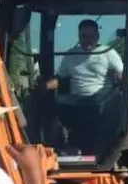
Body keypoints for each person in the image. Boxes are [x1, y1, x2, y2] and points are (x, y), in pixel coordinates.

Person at [46, 18, 123, 152]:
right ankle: (54, 147)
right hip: (76, 100)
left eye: (90, 36)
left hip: (101, 100)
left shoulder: (107, 53)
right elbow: (60, 78)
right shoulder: (71, 54)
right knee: (51, 104)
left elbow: (121, 72)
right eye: (83, 36)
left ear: (97, 37)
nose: (87, 40)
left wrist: (119, 76)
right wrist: (46, 86)